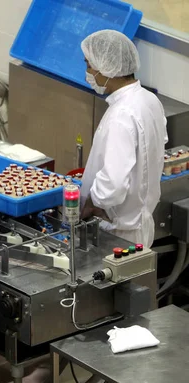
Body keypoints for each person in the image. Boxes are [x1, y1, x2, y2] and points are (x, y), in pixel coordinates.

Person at [79, 30, 168, 248]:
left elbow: (113, 183)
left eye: (89, 65)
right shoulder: (148, 99)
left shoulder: (121, 116)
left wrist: (89, 205)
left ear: (107, 68)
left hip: (117, 232)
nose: (88, 72)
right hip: (139, 224)